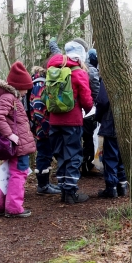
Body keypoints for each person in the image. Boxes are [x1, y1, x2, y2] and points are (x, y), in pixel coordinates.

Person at [47, 40, 94, 203]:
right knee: (73, 154)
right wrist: (89, 110)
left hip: (54, 119)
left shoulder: (53, 69)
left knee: (60, 154)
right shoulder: (78, 72)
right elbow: (86, 98)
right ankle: (70, 192)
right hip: (72, 121)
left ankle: (63, 190)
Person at [0, 62, 36, 218]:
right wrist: (10, 135)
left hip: (17, 145)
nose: (26, 92)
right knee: (19, 173)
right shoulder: (10, 97)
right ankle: (14, 207)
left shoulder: (8, 97)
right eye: (25, 88)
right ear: (18, 86)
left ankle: (0, 205)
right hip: (18, 145)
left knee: (9, 173)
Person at [94, 77, 128, 199]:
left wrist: (98, 117)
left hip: (111, 122)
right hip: (127, 124)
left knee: (110, 156)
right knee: (122, 155)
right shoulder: (130, 76)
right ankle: (122, 185)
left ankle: (111, 188)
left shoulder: (108, 78)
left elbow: (102, 101)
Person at [28, 66, 60, 194]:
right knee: (44, 154)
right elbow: (38, 107)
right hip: (42, 126)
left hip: (41, 125)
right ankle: (43, 185)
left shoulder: (37, 83)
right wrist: (47, 126)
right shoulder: (39, 84)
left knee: (46, 153)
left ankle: (46, 183)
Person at [81, 47, 101, 176]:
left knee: (84, 137)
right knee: (89, 137)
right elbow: (96, 91)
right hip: (89, 109)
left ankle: (84, 164)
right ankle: (88, 165)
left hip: (80, 109)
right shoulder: (92, 71)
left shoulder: (80, 68)